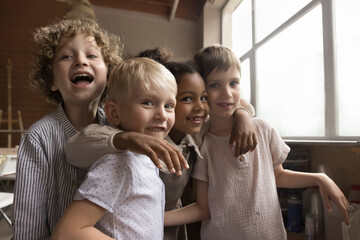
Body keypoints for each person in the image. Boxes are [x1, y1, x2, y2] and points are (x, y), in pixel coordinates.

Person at [12, 19, 185, 239]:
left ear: (108, 74)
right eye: (66, 56)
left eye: (92, 55)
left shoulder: (126, 124)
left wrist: (242, 113)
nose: (80, 62)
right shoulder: (38, 138)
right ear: (51, 80)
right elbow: (28, 223)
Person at [64, 48, 257, 240]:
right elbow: (76, 148)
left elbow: (229, 103)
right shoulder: (121, 159)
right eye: (187, 98)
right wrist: (127, 139)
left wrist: (243, 115)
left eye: (168, 105)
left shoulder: (195, 131)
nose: (162, 114)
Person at [164, 44, 350, 240]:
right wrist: (156, 218)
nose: (227, 93)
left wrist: (319, 178)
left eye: (234, 83)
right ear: (202, 88)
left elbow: (278, 176)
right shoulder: (204, 142)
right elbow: (203, 208)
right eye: (215, 85)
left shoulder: (262, 129)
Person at [51, 57, 177, 239]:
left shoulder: (143, 161)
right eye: (148, 103)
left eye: (169, 106)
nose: (162, 115)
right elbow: (67, 232)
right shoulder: (117, 165)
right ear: (114, 113)